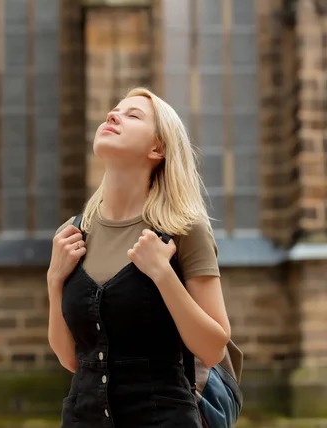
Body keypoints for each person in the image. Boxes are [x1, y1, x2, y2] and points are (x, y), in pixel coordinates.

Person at [47, 87, 231, 427]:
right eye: (113, 111)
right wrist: (54, 282)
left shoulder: (183, 230)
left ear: (157, 148)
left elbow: (213, 348)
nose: (112, 116)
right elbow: (71, 358)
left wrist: (163, 273)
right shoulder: (73, 233)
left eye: (132, 115)